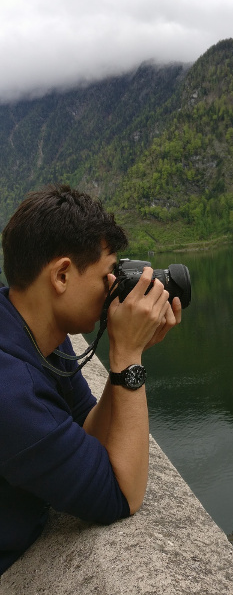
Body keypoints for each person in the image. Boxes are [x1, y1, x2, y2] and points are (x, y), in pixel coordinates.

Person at [0, 185, 181, 574]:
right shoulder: (12, 393)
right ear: (62, 275)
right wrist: (128, 356)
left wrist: (130, 349)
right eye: (106, 276)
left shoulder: (29, 325)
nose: (113, 290)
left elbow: (88, 432)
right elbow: (123, 494)